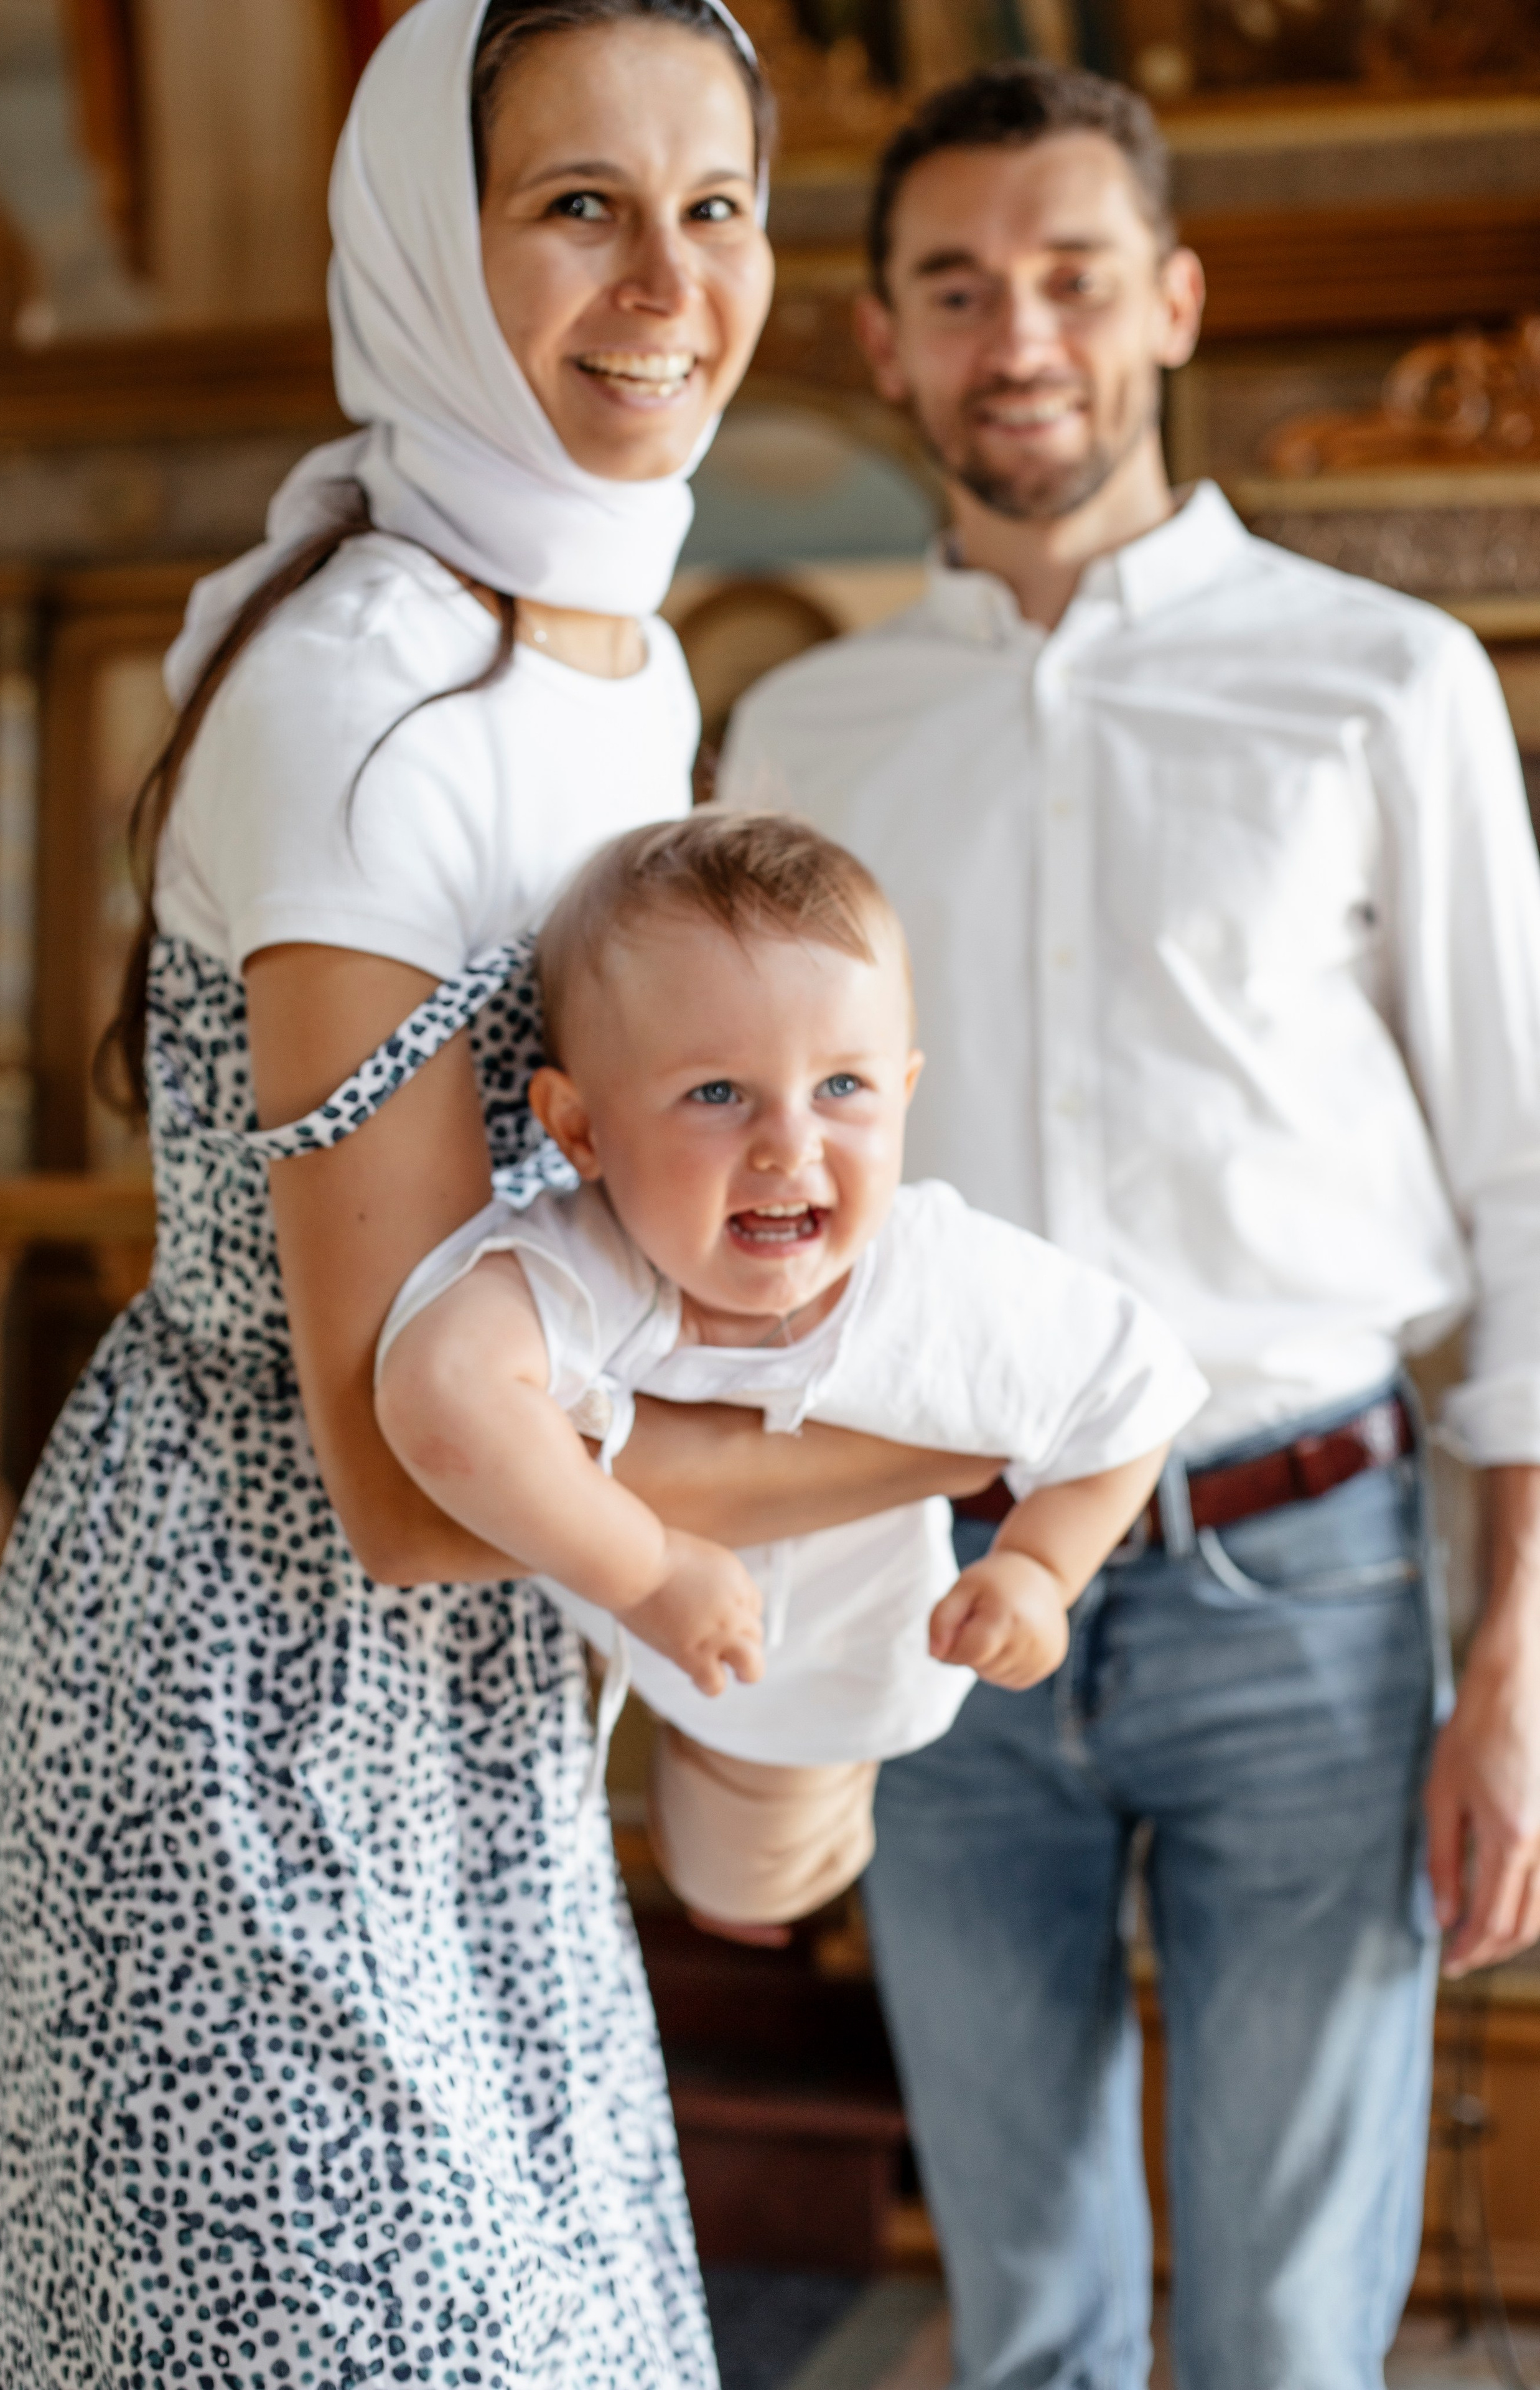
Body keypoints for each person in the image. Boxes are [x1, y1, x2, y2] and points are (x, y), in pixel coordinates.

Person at [0, 7, 1000, 2381]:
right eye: (577, 209)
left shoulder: (609, 661)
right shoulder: (368, 701)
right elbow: (411, 1483)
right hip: (236, 1706)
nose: (666, 286)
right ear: (434, 238)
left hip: (466, 1743)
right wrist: (976, 1427)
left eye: (712, 206)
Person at [719, 61, 1540, 2390]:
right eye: (958, 288)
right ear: (880, 339)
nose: (1021, 337)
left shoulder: (1387, 684)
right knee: (1032, 2326)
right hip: (934, 1585)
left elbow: (1526, 1181)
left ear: (1171, 299)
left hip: (1321, 1587)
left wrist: (1516, 1669)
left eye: (1074, 277)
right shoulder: (802, 740)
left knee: (1290, 2337)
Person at [371, 811, 1207, 1931]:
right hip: (593, 1628)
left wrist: (1042, 1573)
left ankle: (804, 1845)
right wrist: (646, 1570)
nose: (789, 1146)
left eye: (843, 1088)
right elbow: (439, 1387)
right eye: (718, 1093)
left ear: (906, 1088)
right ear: (581, 1130)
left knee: (744, 1884)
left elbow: (1135, 1387)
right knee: (623, 1850)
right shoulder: (592, 1255)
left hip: (835, 1671)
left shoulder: (938, 1278)